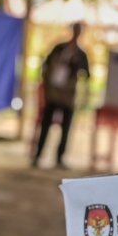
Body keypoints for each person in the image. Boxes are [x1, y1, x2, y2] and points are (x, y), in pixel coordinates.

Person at [32, 23, 91, 170]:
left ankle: (59, 157)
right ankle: (38, 155)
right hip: (53, 93)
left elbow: (87, 75)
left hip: (68, 96)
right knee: (45, 125)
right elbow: (45, 65)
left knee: (65, 128)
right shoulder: (60, 48)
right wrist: (46, 84)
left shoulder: (80, 54)